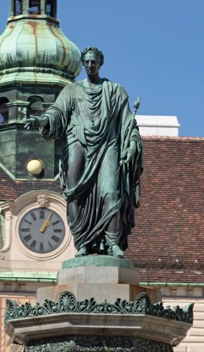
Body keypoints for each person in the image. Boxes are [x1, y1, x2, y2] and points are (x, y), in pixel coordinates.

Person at [25, 47, 143, 258]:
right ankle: (83, 243)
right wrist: (42, 120)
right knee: (74, 195)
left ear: (100, 63)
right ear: (82, 63)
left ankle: (112, 241)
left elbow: (128, 124)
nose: (90, 65)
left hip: (108, 145)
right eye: (86, 62)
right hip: (77, 142)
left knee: (111, 192)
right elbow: (57, 112)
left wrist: (133, 143)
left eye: (93, 62)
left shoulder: (115, 91)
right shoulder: (71, 91)